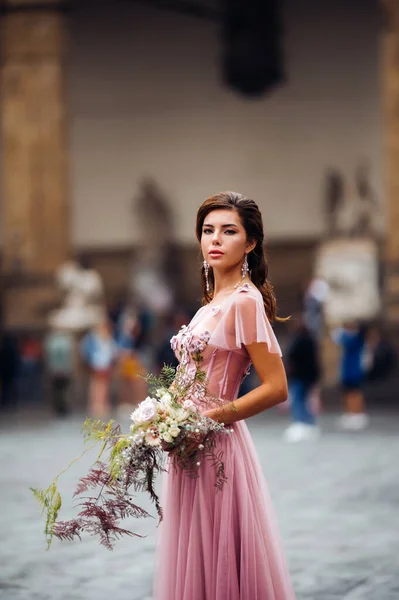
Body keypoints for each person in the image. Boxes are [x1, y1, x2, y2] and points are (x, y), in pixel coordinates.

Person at [154, 192, 295, 600]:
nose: (215, 239)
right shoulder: (211, 303)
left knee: (221, 561)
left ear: (250, 243)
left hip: (216, 446)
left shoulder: (245, 303)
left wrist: (206, 421)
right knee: (193, 558)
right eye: (207, 230)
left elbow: (276, 387)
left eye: (229, 231)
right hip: (187, 446)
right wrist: (164, 417)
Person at [283, 314, 321, 442]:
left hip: (299, 375)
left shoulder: (297, 340)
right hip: (308, 375)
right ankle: (309, 424)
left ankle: (300, 423)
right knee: (306, 401)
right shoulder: (311, 340)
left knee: (298, 400)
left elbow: (291, 357)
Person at [332, 322, 369, 430]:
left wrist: (341, 331)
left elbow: (341, 339)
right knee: (348, 393)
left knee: (355, 393)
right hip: (349, 371)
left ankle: (357, 413)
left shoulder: (356, 339)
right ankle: (351, 413)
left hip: (354, 371)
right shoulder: (354, 339)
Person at [80, 316, 117, 419]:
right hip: (96, 364)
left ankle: (103, 404)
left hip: (106, 365)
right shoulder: (91, 339)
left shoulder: (109, 339)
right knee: (96, 386)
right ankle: (95, 405)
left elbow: (113, 351)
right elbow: (86, 351)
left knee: (104, 386)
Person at [44, 328, 74, 417]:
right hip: (62, 370)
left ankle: (59, 407)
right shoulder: (64, 342)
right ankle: (61, 407)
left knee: (57, 391)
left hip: (56, 370)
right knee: (61, 391)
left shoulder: (51, 342)